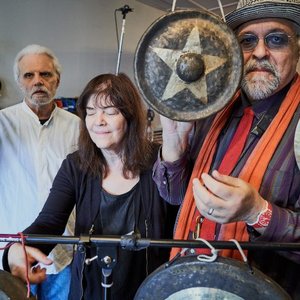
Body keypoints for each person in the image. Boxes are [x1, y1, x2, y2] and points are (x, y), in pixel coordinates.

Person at [152, 0, 300, 298]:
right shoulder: (213, 109)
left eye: (276, 39)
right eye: (247, 41)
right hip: (193, 286)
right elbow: (175, 196)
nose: (259, 52)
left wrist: (257, 212)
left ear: (297, 47)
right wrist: (173, 144)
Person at [3, 73, 176, 299]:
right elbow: (49, 222)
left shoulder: (159, 163)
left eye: (110, 111)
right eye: (91, 112)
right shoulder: (76, 166)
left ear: (131, 115)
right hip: (89, 289)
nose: (98, 121)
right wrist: (15, 250)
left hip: (150, 289)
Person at [0, 44, 80, 299]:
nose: (37, 81)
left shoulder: (78, 126)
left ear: (57, 79)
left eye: (45, 74)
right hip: (15, 256)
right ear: (19, 82)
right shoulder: (2, 125)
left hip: (64, 254)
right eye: (29, 75)